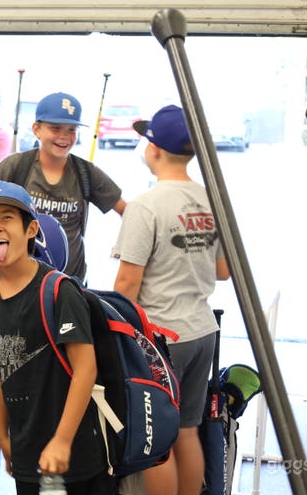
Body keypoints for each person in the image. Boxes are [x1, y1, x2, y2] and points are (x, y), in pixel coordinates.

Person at [0, 180, 115, 495]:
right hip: (27, 453)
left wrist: (62, 440)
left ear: (30, 229)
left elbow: (86, 369)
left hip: (76, 453)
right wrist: (3, 436)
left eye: (6, 218)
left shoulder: (59, 291)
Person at [111, 105, 230, 495]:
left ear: (154, 149)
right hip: (202, 331)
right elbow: (224, 270)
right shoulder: (211, 197)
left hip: (162, 338)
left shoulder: (147, 205)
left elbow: (127, 284)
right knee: (188, 431)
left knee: (156, 443)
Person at [0, 92, 126, 282]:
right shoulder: (15, 167)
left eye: (72, 129)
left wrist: (129, 251)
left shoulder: (86, 172)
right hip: (18, 281)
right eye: (55, 128)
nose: (64, 137)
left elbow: (126, 211)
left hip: (71, 284)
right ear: (36, 129)